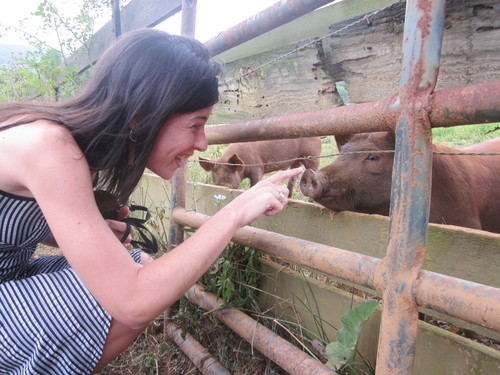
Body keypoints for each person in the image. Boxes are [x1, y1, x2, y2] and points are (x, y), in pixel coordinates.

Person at [0, 28, 302, 374]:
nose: (203, 143)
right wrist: (233, 213)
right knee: (136, 292)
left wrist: (76, 232)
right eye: (195, 125)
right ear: (142, 114)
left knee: (139, 264)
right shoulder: (51, 147)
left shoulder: (77, 147)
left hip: (10, 275)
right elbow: (133, 302)